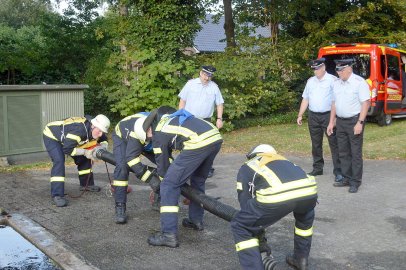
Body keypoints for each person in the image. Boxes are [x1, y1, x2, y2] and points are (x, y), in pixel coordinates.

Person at [230, 144, 318, 270]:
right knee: (304, 221)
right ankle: (301, 259)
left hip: (276, 196)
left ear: (253, 155)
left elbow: (245, 202)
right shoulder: (283, 160)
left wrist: (254, 227)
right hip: (309, 192)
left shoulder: (248, 166)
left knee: (240, 225)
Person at [146, 106, 223, 248]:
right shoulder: (173, 120)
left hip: (198, 142)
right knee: (198, 180)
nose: (149, 136)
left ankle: (168, 235)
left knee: (169, 185)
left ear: (151, 126)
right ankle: (196, 220)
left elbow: (162, 166)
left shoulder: (159, 131)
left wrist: (162, 185)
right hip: (215, 137)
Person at [43, 114, 110, 207]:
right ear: (93, 126)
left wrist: (103, 147)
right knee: (59, 161)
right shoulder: (79, 131)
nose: (101, 134)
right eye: (99, 131)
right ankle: (57, 195)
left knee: (85, 158)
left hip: (69, 139)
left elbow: (104, 140)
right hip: (53, 135)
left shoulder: (97, 130)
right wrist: (85, 152)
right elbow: (67, 150)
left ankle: (86, 185)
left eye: (103, 132)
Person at [112, 112, 166, 224]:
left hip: (146, 136)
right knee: (122, 167)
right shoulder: (135, 133)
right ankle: (120, 207)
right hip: (123, 137)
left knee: (164, 164)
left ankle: (159, 198)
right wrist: (151, 179)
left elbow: (165, 160)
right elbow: (132, 160)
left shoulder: (162, 128)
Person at [327, 59, 370, 193]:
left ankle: (355, 181)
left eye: (341, 71)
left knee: (355, 152)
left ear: (349, 69)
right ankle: (346, 178)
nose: (339, 73)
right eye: (337, 71)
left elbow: (365, 103)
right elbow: (334, 103)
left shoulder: (359, 83)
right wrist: (331, 121)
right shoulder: (337, 84)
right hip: (340, 121)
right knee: (343, 152)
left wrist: (360, 122)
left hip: (354, 121)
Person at [297, 57, 342, 181]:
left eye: (317, 69)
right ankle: (318, 168)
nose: (315, 72)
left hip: (328, 115)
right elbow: (305, 98)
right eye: (314, 69)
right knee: (316, 144)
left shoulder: (333, 80)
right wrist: (300, 114)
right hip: (313, 116)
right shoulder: (311, 81)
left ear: (323, 68)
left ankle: (339, 171)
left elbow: (336, 101)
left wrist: (334, 120)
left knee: (334, 144)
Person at [178, 65, 224, 178]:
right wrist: (180, 116)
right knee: (187, 143)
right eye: (205, 74)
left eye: (209, 76)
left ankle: (206, 168)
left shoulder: (214, 87)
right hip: (189, 119)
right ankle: (187, 167)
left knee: (207, 144)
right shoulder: (190, 84)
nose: (206, 78)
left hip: (205, 120)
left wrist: (219, 119)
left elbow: (219, 104)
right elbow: (182, 100)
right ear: (200, 73)